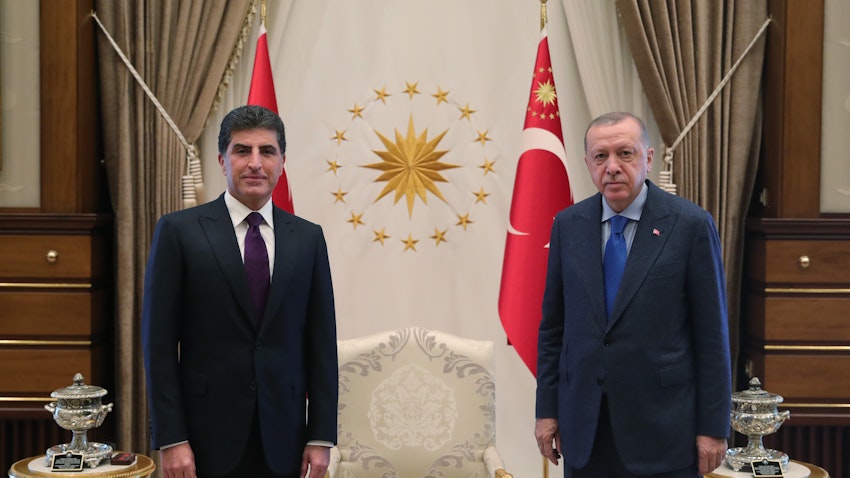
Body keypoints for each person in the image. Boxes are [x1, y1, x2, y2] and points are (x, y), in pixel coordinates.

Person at [142, 105, 338, 478]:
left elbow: (321, 343)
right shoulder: (179, 232)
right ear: (222, 159)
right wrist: (171, 438)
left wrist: (321, 436)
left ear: (282, 161)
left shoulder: (308, 238)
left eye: (267, 151)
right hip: (203, 439)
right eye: (242, 150)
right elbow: (159, 345)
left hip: (286, 437)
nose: (255, 163)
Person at [534, 112, 731, 477]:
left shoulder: (690, 225)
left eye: (625, 153)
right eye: (600, 156)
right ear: (588, 164)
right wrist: (546, 411)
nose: (612, 167)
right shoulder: (567, 225)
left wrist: (714, 428)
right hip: (585, 432)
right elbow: (553, 329)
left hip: (664, 433)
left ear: (648, 158)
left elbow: (712, 337)